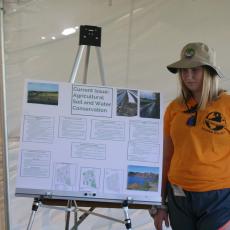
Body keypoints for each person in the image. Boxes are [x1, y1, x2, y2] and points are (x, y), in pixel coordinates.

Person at [149, 42, 230, 230]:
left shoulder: (226, 104)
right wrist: (160, 203)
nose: (188, 76)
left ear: (209, 72)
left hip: (219, 196)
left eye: (195, 70)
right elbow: (166, 157)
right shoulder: (174, 108)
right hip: (179, 196)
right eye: (184, 71)